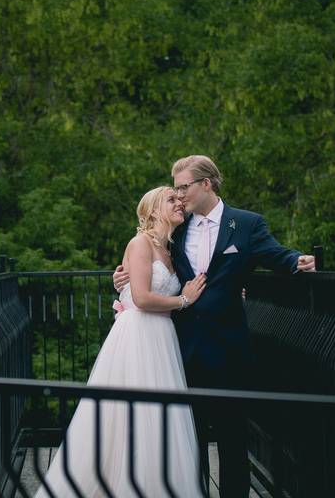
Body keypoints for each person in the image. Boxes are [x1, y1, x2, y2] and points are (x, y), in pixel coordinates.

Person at [113, 155, 316, 498]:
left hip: (227, 348)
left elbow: (274, 253)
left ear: (206, 184)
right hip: (178, 346)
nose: (178, 196)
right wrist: (120, 279)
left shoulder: (247, 224)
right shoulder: (176, 226)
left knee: (232, 437)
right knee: (184, 437)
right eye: (174, 189)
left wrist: (298, 260)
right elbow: (147, 263)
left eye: (183, 187)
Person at [35, 187, 209, 497]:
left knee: (160, 417)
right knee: (130, 412)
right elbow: (141, 298)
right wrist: (184, 299)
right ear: (153, 211)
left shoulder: (172, 249)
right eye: (171, 199)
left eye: (179, 198)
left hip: (163, 337)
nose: (179, 203)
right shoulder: (139, 243)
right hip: (138, 335)